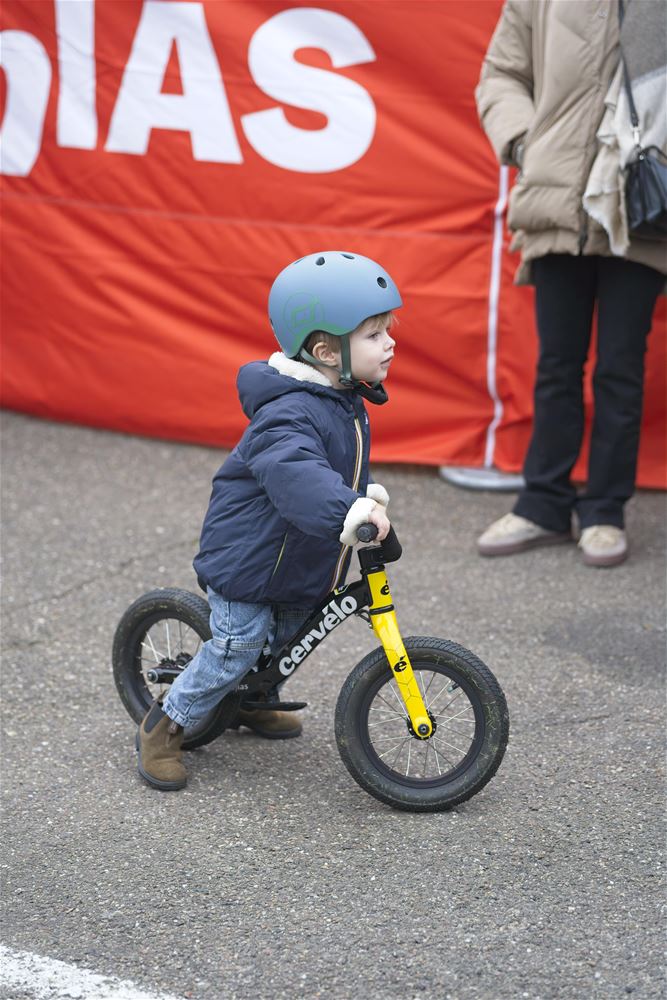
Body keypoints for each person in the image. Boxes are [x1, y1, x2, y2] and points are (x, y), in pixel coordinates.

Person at [137, 251, 400, 790]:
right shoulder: (286, 412)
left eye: (387, 330)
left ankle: (250, 700)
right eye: (374, 334)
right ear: (326, 351)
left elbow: (338, 467)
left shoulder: (343, 399)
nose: (390, 343)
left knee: (286, 636)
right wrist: (348, 509)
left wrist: (363, 497)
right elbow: (298, 475)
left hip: (296, 555)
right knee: (239, 644)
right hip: (250, 560)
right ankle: (165, 724)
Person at [474, 0, 666, 567]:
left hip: (639, 209)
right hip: (556, 201)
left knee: (620, 370)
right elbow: (501, 73)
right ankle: (543, 505)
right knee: (556, 365)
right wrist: (527, 143)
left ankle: (605, 512)